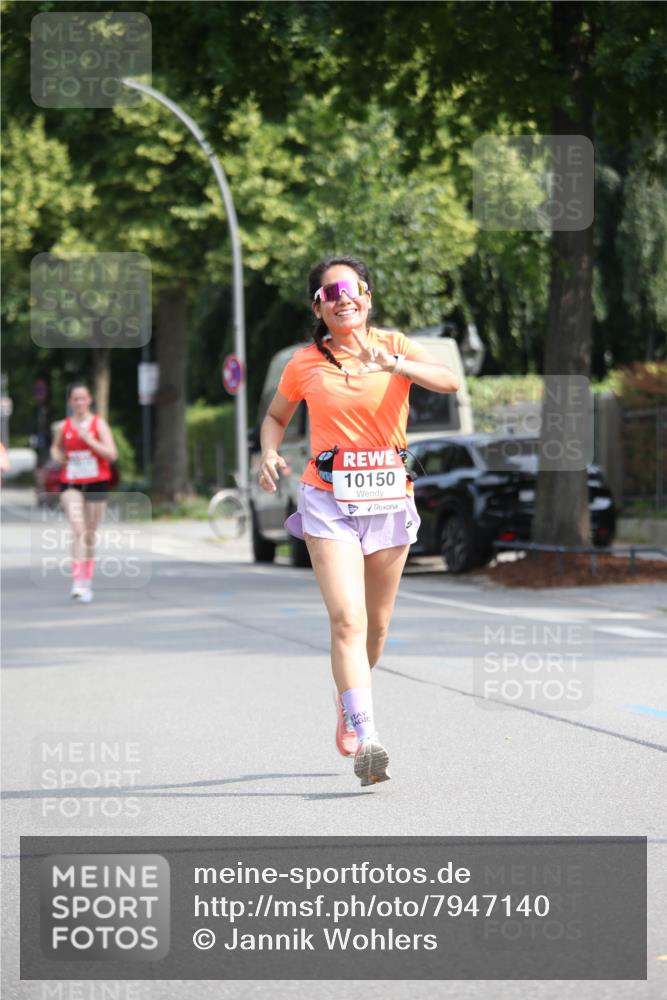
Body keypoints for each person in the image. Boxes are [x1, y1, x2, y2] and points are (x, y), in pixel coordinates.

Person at [258, 256, 460, 787]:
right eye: (330, 292)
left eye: (352, 288)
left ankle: (347, 702)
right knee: (347, 619)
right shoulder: (304, 363)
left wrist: (394, 365)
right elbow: (276, 416)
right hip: (327, 499)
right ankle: (368, 738)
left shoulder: (395, 345)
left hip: (389, 498)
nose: (343, 297)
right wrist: (269, 452)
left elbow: (449, 381)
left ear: (367, 297)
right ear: (318, 307)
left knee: (376, 625)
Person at [50, 382, 117, 603]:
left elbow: (112, 454)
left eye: (83, 398)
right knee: (78, 529)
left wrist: (90, 440)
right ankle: (77, 582)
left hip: (97, 483)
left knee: (89, 534)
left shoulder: (99, 424)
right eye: (75, 399)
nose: (79, 402)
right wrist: (57, 456)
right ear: (70, 402)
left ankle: (87, 581)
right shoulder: (64, 426)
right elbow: (55, 447)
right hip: (71, 483)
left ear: (89, 400)